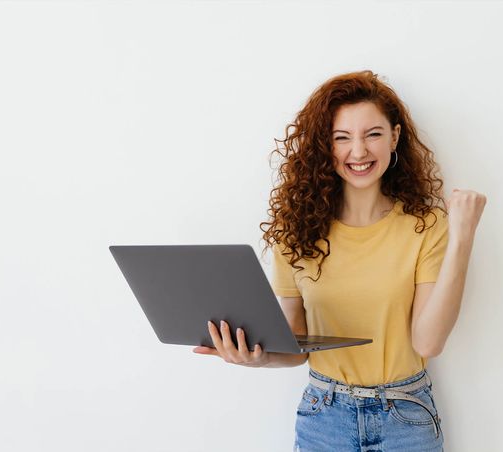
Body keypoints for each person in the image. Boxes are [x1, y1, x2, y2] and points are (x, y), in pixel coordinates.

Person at [193, 70, 486, 451]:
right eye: (341, 138)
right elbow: (295, 345)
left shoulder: (426, 227)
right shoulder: (296, 231)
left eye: (373, 134)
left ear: (395, 136)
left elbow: (428, 342)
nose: (359, 152)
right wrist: (255, 358)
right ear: (324, 146)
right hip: (324, 417)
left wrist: (463, 237)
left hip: (405, 415)